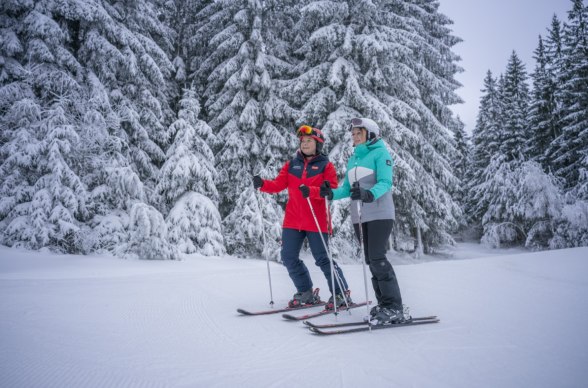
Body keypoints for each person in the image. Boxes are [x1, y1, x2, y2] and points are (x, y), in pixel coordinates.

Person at [253, 125, 352, 310]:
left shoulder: (326, 166)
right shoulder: (292, 165)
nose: (305, 144)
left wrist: (313, 191)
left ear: (318, 144)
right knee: (288, 257)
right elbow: (277, 185)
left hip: (317, 220)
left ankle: (340, 293)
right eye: (303, 141)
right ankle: (306, 291)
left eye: (309, 141)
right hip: (293, 220)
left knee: (322, 258)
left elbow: (331, 190)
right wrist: (262, 184)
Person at [319, 117, 404, 324]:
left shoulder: (380, 153)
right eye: (353, 133)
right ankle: (384, 304)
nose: (355, 136)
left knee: (377, 258)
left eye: (359, 133)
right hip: (360, 216)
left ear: (370, 134)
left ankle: (394, 307)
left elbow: (385, 182)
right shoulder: (353, 159)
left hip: (380, 213)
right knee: (370, 260)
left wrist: (369, 194)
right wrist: (331, 193)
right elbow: (347, 190)